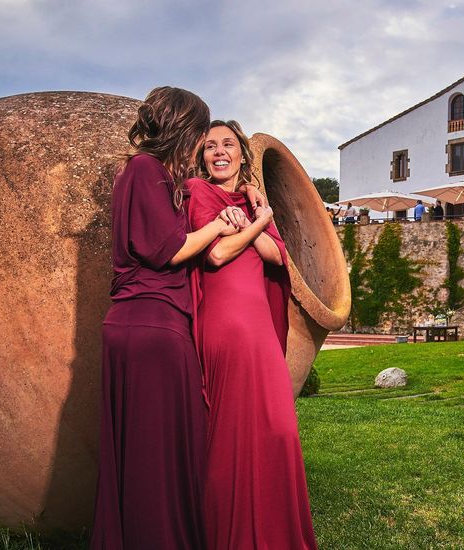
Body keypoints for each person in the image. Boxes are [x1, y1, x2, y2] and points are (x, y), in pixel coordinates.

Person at [91, 87, 263, 549]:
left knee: (139, 455)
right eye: (200, 135)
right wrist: (219, 223)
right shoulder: (146, 171)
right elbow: (167, 252)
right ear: (183, 129)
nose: (201, 146)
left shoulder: (140, 173)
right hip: (154, 327)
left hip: (132, 324)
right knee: (163, 459)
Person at [186, 120, 318, 550]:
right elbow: (217, 254)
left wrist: (253, 220)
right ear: (201, 156)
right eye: (210, 146)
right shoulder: (198, 191)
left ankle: (275, 535)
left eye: (227, 145)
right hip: (224, 324)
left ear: (243, 154)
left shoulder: (247, 200)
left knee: (278, 430)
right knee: (228, 433)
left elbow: (277, 255)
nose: (219, 152)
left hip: (260, 327)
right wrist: (257, 223)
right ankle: (230, 537)